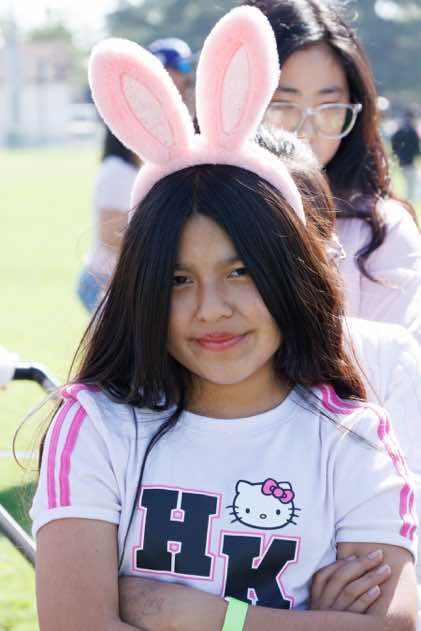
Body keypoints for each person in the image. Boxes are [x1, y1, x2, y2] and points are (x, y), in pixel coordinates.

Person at [31, 8, 417, 631]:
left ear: (293, 272)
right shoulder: (95, 424)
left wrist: (199, 613)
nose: (211, 307)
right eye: (178, 279)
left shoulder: (353, 435)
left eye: (241, 271)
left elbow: (394, 625)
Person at [245, 0, 421, 343]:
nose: (305, 132)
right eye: (282, 105)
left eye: (329, 106)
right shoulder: (195, 212)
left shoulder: (380, 232)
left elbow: (394, 364)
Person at [77, 39, 193, 314]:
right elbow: (111, 238)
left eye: (179, 91)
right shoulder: (117, 172)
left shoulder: (162, 164)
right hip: (110, 284)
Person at [77, 127, 140, 312]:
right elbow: (111, 235)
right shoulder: (117, 172)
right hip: (105, 282)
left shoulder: (129, 170)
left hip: (114, 280)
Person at [392, 108, 420, 203]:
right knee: (411, 184)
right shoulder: (411, 130)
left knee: (410, 183)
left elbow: (394, 143)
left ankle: (409, 201)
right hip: (409, 162)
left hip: (402, 161)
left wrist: (397, 154)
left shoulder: (400, 129)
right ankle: (409, 202)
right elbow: (416, 148)